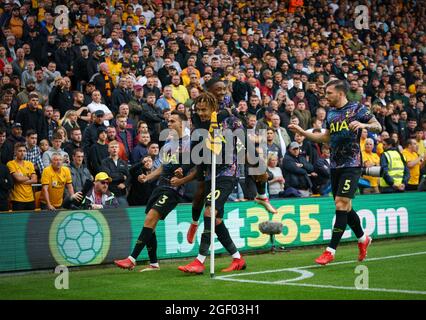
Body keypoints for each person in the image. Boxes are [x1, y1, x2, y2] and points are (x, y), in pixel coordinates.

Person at [288, 79, 382, 265]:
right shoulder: (331, 113)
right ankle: (363, 239)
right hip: (335, 166)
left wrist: (364, 126)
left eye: (329, 93)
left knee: (340, 204)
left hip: (352, 164)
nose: (326, 96)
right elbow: (325, 137)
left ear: (340, 93)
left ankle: (330, 251)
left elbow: (377, 126)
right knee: (345, 207)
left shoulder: (357, 109)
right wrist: (302, 132)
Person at [114, 111, 196, 272]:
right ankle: (154, 264)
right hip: (160, 186)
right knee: (149, 223)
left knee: (151, 218)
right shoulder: (168, 144)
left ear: (182, 124)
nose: (169, 124)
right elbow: (162, 168)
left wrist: (182, 178)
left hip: (174, 189)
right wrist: (148, 177)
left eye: (172, 121)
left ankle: (131, 259)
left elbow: (196, 169)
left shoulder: (191, 143)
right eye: (168, 121)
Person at [178, 92, 247, 274]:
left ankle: (199, 261)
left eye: (204, 109)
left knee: (209, 211)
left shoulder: (229, 121)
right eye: (198, 110)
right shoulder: (197, 126)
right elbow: (195, 153)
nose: (200, 113)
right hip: (210, 175)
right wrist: (184, 169)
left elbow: (242, 139)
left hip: (226, 173)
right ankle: (238, 259)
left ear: (213, 108)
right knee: (216, 221)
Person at [7, 143, 37, 211]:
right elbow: (18, 178)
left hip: (30, 199)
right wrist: (29, 177)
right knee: (18, 221)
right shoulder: (10, 164)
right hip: (17, 199)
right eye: (20, 151)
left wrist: (21, 180)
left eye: (24, 151)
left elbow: (35, 180)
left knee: (31, 221)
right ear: (15, 152)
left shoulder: (30, 164)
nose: (22, 153)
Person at [100, 140, 130, 207]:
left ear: (119, 149)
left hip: (121, 193)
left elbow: (129, 176)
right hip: (108, 193)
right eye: (112, 147)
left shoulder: (123, 162)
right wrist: (122, 176)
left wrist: (125, 184)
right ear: (108, 149)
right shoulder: (104, 162)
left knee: (124, 213)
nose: (114, 149)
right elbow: (108, 176)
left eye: (116, 147)